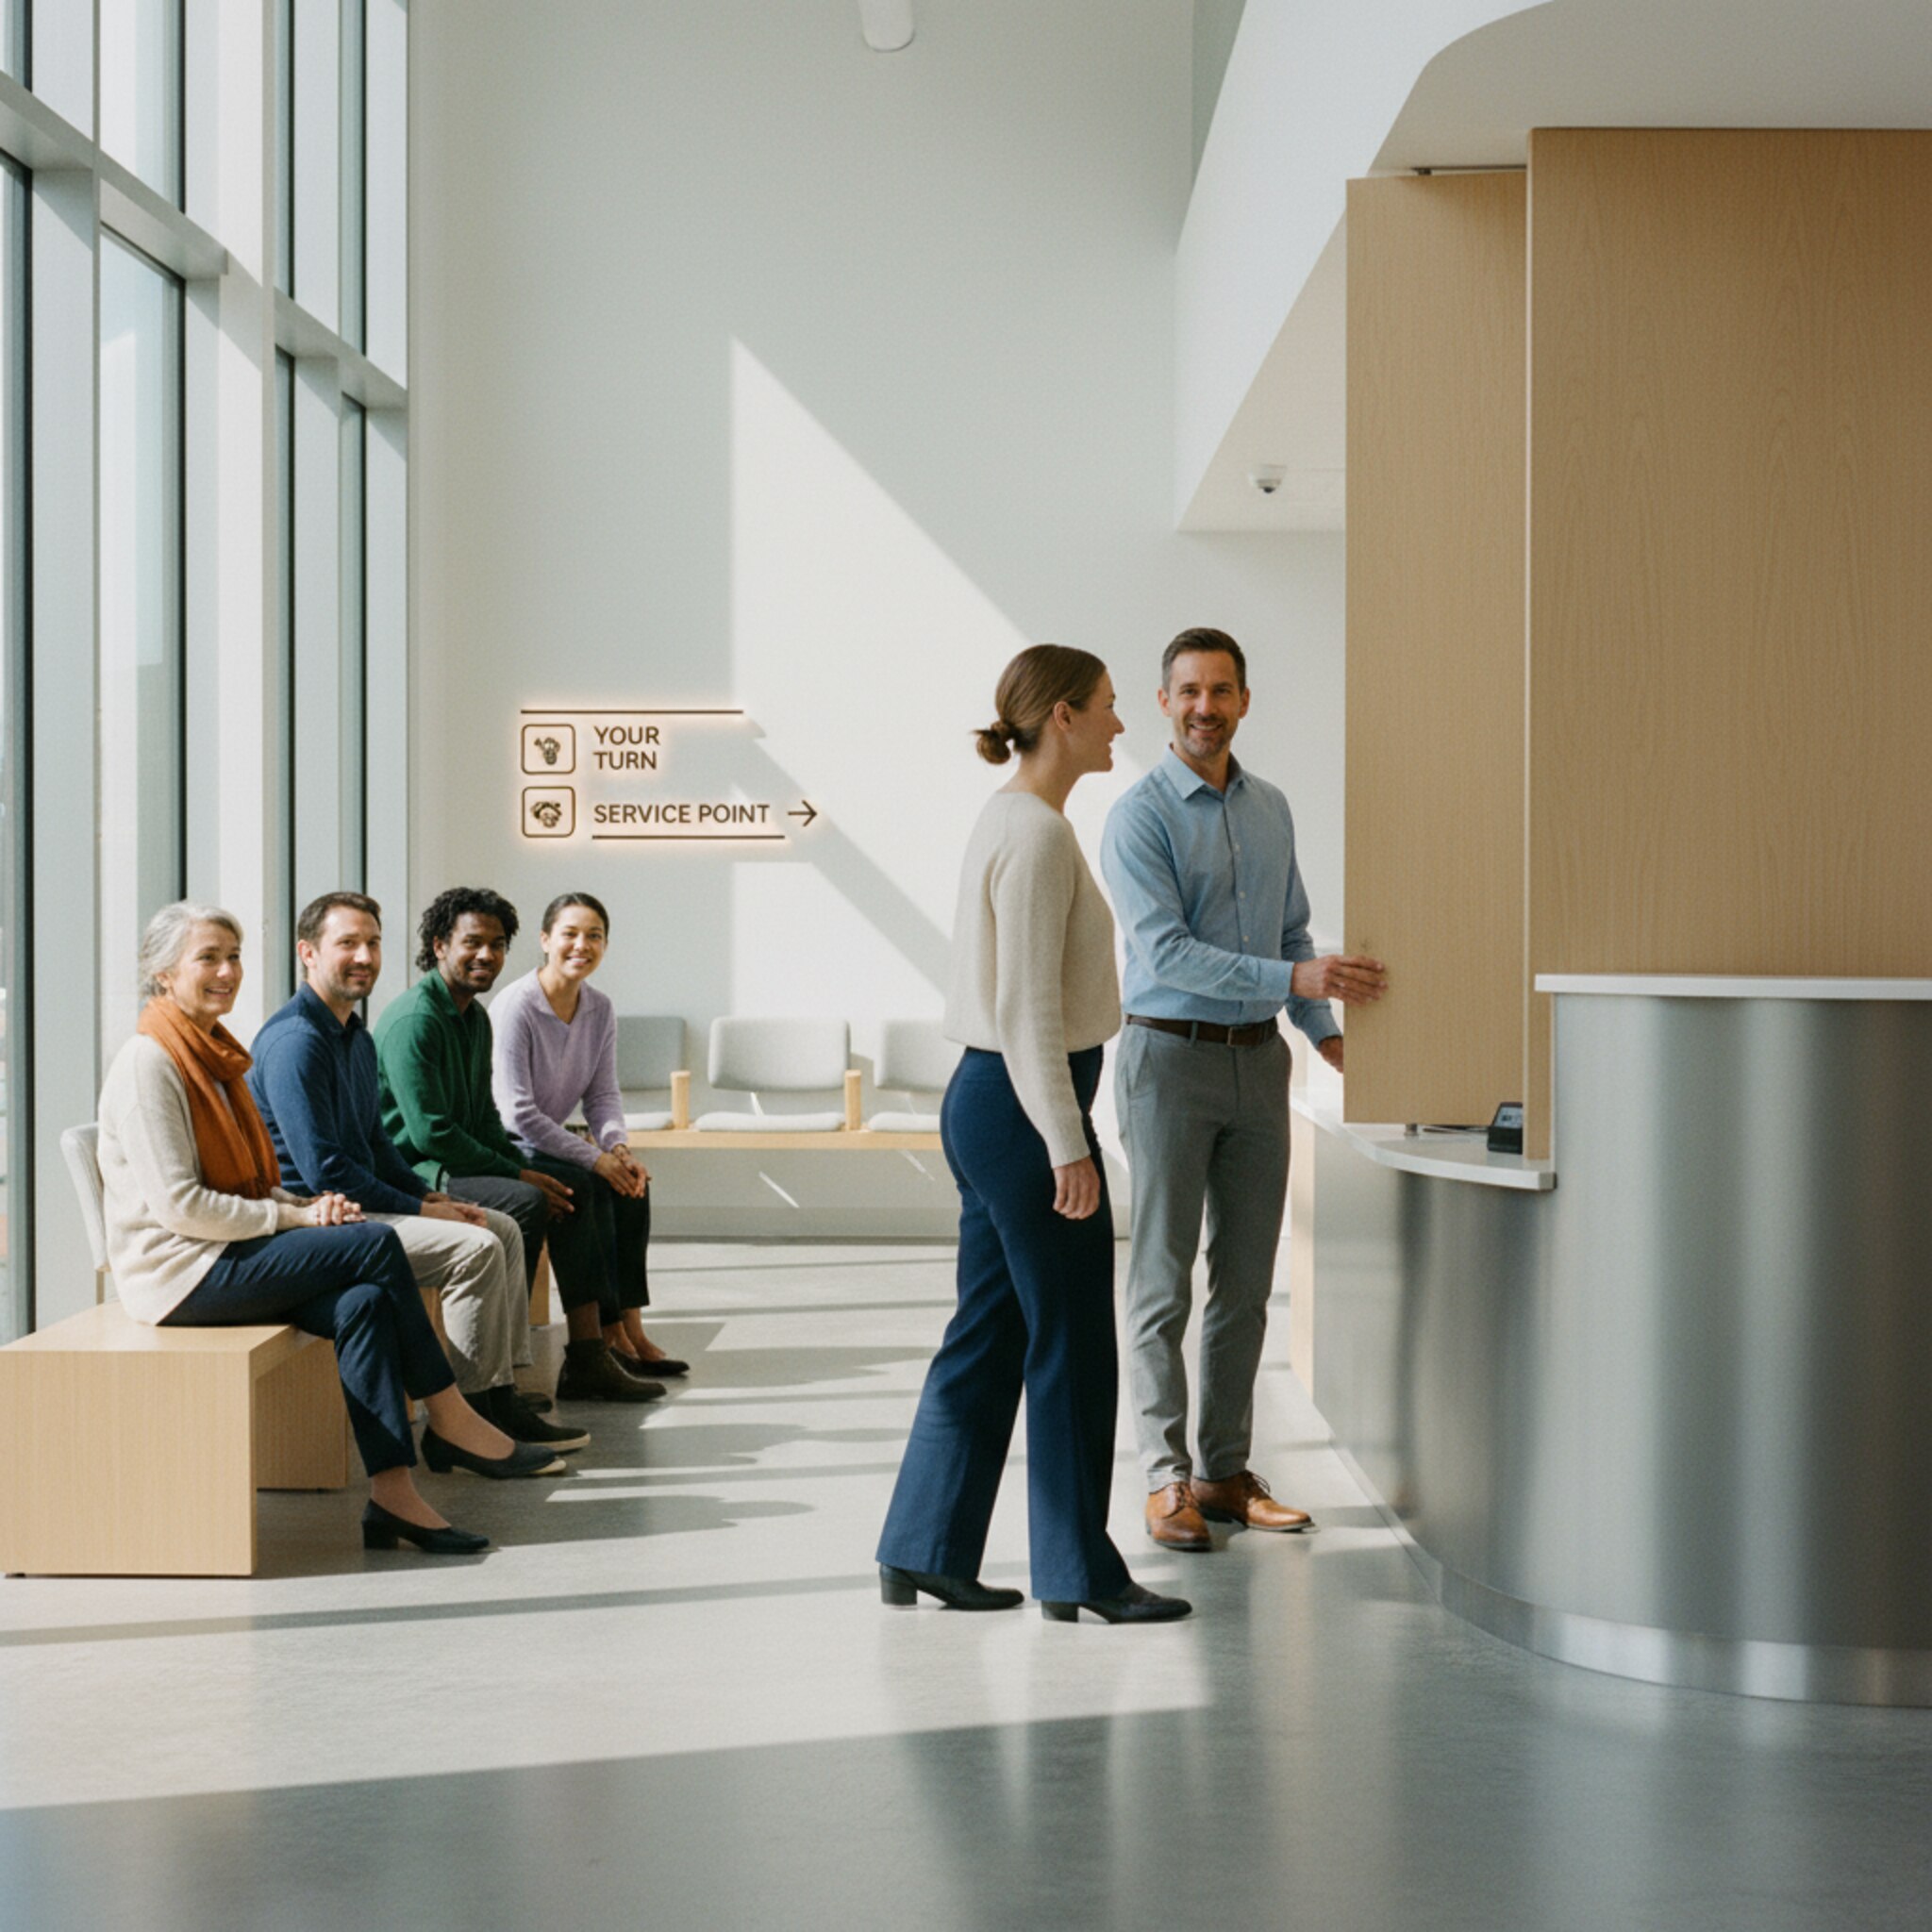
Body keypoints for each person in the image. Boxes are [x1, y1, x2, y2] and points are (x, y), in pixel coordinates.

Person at [876, 644, 1190, 1625]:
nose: (1118, 723)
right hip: (1023, 1104)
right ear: (1061, 714)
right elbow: (1023, 1009)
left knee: (991, 1327)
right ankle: (1078, 1572)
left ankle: (921, 1546)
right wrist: (1067, 1142)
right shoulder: (1038, 833)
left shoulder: (1015, 817)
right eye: (1104, 706)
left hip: (993, 1097)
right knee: (1071, 1339)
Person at [96, 902, 556, 1557]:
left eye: (233, 956)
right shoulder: (153, 1064)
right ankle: (451, 1415)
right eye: (208, 958)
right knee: (373, 1241)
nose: (228, 971)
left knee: (363, 1302)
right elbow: (181, 1208)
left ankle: (394, 1496)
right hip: (180, 1273)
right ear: (162, 973)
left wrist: (300, 1207)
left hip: (228, 1250)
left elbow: (251, 1182)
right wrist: (297, 1213)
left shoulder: (215, 1052)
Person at [1100, 626, 1386, 1552]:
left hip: (1258, 1060)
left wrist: (1324, 1033)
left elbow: (1293, 932)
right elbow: (1167, 953)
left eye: (1220, 690)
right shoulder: (1138, 815)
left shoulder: (1270, 808)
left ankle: (1222, 1471)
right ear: (1162, 702)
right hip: (1165, 1059)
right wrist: (1294, 984)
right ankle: (1162, 1478)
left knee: (1245, 1281)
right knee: (1160, 1280)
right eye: (1186, 690)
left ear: (1244, 701)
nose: (1203, 707)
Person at [248, 891, 584, 1460]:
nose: (364, 956)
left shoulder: (353, 1035)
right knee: (476, 1247)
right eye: (347, 943)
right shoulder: (297, 1042)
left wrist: (426, 1195)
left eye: (373, 943)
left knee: (497, 1226)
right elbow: (325, 1171)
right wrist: (425, 1209)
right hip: (316, 1221)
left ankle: (494, 1396)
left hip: (355, 1205)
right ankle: (463, 1424)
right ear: (307, 953)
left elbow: (376, 1145)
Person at [491, 891, 682, 1404]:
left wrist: (617, 1147)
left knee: (631, 1184)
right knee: (582, 1186)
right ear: (545, 939)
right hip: (507, 1145)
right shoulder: (516, 1007)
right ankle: (591, 1350)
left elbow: (602, 1094)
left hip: (553, 1137)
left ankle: (628, 1332)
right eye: (570, 933)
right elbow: (517, 1114)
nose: (582, 944)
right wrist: (593, 1158)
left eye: (593, 935)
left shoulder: (599, 1008)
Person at [373, 886, 569, 1328]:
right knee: (526, 1200)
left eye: (497, 945)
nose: (487, 955)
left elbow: (483, 1116)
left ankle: (591, 1344)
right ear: (440, 946)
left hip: (454, 1162)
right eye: (472, 943)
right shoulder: (415, 1020)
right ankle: (500, 1352)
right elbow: (431, 1134)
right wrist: (519, 1174)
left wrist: (521, 1165)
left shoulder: (475, 1017)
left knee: (571, 1191)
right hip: (416, 1172)